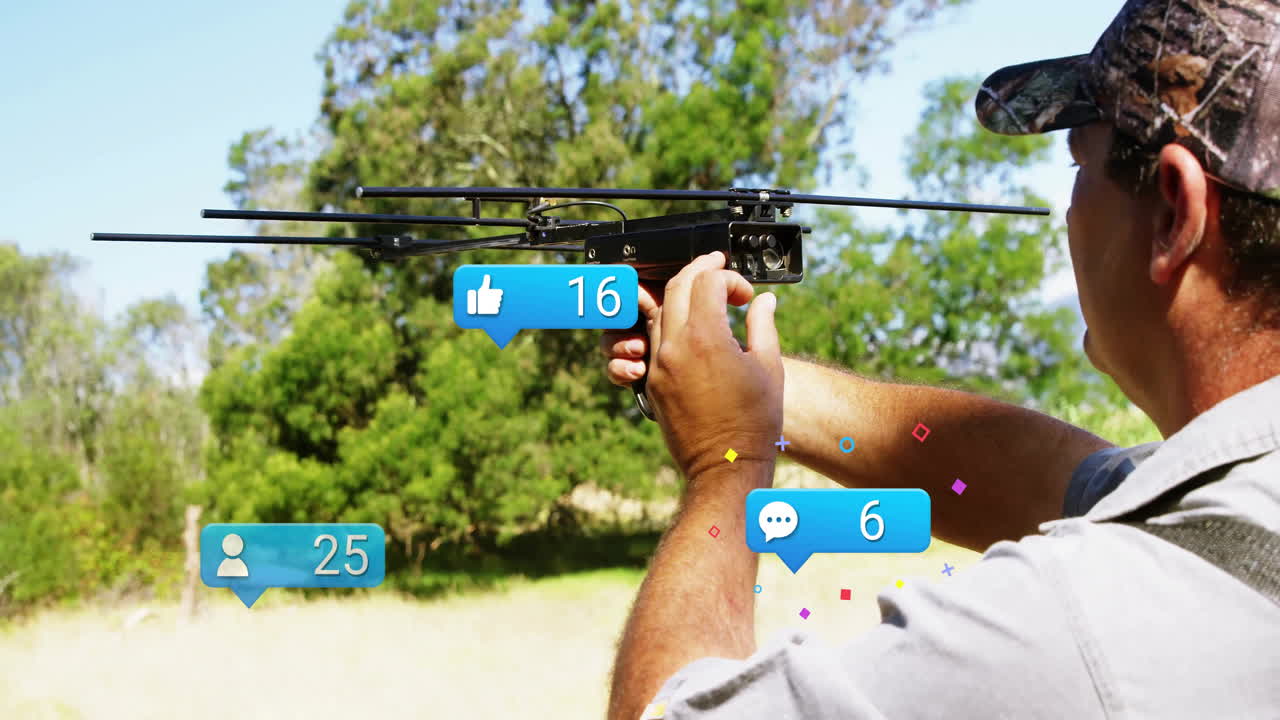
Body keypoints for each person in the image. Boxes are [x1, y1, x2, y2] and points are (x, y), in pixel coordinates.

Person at [600, 1, 1280, 718]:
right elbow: (1054, 481)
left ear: (1175, 212)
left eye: (1080, 162)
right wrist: (749, 388)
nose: (1069, 213)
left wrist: (723, 463)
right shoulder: (1236, 504)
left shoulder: (1079, 623)